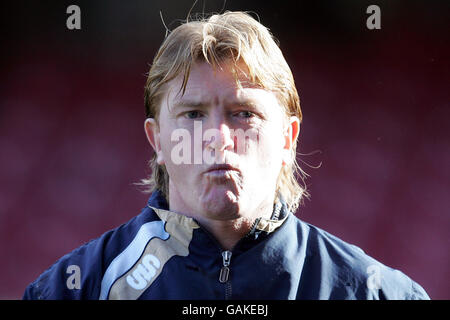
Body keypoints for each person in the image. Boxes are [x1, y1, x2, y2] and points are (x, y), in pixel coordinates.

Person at [23, 11, 429, 300]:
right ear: (158, 141)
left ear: (288, 138)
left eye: (243, 114)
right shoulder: (71, 291)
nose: (217, 137)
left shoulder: (376, 292)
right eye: (193, 114)